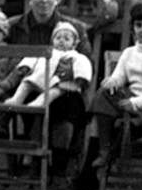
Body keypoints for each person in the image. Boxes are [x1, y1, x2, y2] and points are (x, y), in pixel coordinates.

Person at [83, 1, 142, 179]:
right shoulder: (129, 52)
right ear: (133, 28)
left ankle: (105, 152)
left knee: (105, 107)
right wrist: (112, 81)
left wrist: (136, 103)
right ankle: (105, 150)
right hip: (132, 101)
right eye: (138, 25)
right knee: (104, 93)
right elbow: (120, 76)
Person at [6, 19, 93, 180]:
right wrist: (23, 67)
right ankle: (17, 100)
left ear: (74, 43)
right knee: (25, 84)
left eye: (67, 38)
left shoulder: (75, 56)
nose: (62, 41)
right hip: (38, 81)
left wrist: (80, 78)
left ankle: (57, 163)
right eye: (58, 38)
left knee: (54, 96)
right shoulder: (45, 52)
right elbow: (30, 59)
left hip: (63, 86)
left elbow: (84, 66)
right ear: (52, 40)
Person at [9, 0, 88, 51]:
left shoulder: (76, 29)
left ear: (56, 0)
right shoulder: (12, 27)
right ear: (30, 0)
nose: (44, 0)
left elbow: (87, 62)